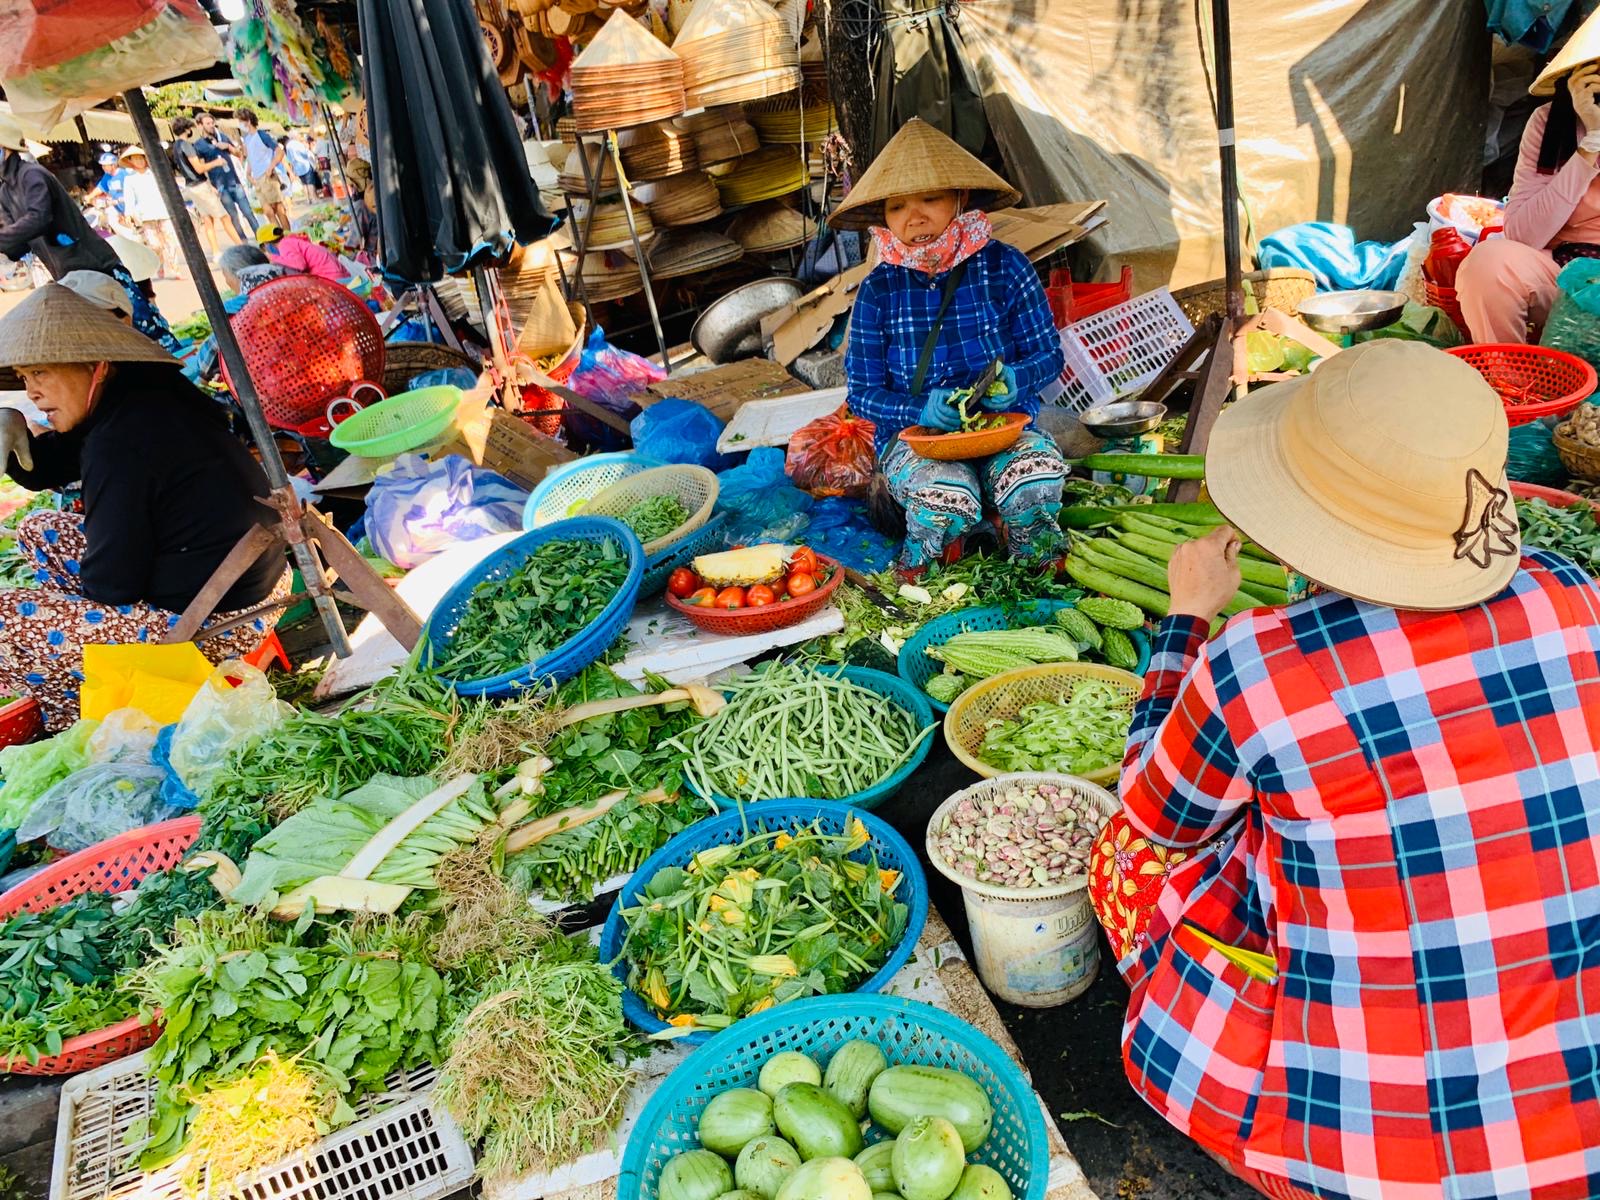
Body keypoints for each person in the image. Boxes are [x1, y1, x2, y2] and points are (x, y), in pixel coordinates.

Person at [1086, 338, 1600, 1200]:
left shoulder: (1256, 663)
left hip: (1364, 1151)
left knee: (1128, 861)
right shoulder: (1576, 598)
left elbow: (1152, 816)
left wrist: (1184, 622)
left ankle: (1248, 1129)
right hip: (1568, 1133)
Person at [0, 284, 289, 732]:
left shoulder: (120, 441)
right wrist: (19, 437)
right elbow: (56, 462)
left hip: (219, 622)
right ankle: (77, 653)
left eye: (41, 373)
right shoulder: (142, 395)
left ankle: (83, 716)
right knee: (39, 528)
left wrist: (64, 609)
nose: (32, 393)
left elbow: (113, 586)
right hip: (254, 577)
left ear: (94, 365)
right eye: (24, 378)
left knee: (8, 617)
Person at [835, 118, 1067, 577]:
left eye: (930, 199)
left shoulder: (1005, 267)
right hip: (920, 445)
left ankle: (1035, 563)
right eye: (898, 206)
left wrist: (1018, 379)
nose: (914, 217)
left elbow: (1049, 354)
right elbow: (861, 393)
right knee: (948, 494)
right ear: (884, 216)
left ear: (959, 199)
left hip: (1006, 429)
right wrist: (920, 410)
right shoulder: (879, 290)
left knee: (1034, 475)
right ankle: (928, 573)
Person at [1459, 8, 1600, 342]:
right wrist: (1590, 145)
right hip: (1562, 273)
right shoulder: (1550, 123)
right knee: (1488, 264)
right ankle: (1510, 381)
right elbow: (1523, 233)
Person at [0, 129, 178, 351]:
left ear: (6, 148)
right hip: (69, 277)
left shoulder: (32, 175)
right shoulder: (5, 192)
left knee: (146, 332)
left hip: (97, 267)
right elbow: (16, 245)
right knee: (113, 344)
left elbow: (39, 218)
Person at [170, 117, 233, 258]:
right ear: (187, 129)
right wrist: (217, 162)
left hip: (190, 186)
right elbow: (198, 168)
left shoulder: (175, 146)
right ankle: (240, 244)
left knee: (208, 220)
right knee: (224, 217)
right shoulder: (186, 145)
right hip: (199, 184)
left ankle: (216, 251)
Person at [190, 111, 258, 241]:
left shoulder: (222, 137)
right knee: (233, 216)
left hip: (234, 181)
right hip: (220, 186)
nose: (211, 125)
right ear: (200, 125)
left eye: (212, 122)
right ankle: (244, 243)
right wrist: (210, 186)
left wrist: (227, 146)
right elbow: (202, 167)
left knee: (248, 213)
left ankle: (262, 239)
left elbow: (240, 155)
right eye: (207, 123)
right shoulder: (199, 145)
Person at [117, 146, 181, 281]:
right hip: (145, 215)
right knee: (154, 244)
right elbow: (129, 199)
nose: (139, 162)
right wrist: (128, 214)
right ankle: (160, 264)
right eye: (136, 159)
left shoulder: (154, 174)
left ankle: (176, 269)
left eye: (141, 158)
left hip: (162, 211)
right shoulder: (130, 179)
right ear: (131, 162)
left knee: (170, 241)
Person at [236, 109, 291, 230]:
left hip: (267, 177)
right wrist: (249, 174)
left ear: (248, 121)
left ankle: (289, 237)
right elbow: (251, 157)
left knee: (278, 209)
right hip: (257, 179)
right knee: (268, 212)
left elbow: (279, 152)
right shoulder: (247, 139)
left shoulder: (261, 135)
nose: (239, 124)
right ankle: (280, 240)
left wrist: (270, 168)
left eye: (241, 121)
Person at [257, 224, 348, 284]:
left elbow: (300, 265)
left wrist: (274, 258)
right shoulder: (291, 240)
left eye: (264, 247)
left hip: (332, 277)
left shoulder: (284, 245)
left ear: (266, 244)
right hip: (339, 273)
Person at [283, 133, 323, 198]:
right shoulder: (297, 144)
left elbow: (289, 158)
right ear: (295, 137)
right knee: (310, 182)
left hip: (297, 167)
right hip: (304, 165)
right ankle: (313, 198)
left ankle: (308, 199)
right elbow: (305, 153)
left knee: (304, 183)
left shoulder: (288, 146)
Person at [91, 152, 127, 216]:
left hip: (129, 209)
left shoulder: (124, 174)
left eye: (105, 165)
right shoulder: (107, 176)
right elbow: (101, 187)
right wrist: (89, 197)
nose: (103, 168)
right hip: (119, 211)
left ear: (113, 165)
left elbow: (132, 193)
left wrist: (118, 201)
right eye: (102, 165)